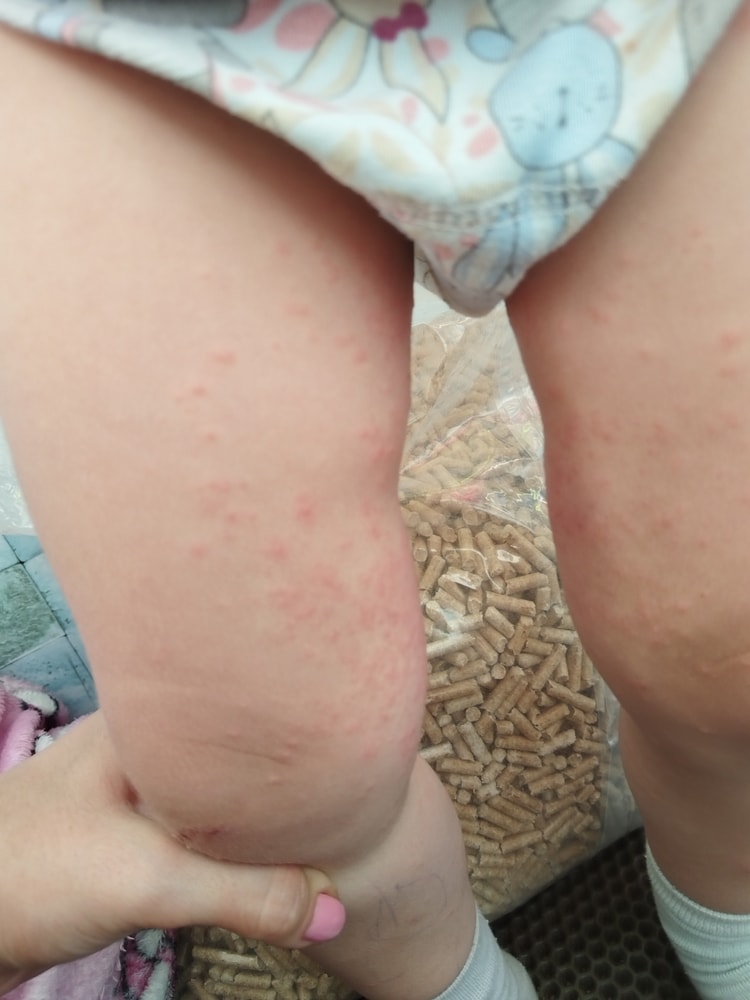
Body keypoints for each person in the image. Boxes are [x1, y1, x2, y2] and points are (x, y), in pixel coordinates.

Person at [0, 2, 748, 999]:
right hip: (135, 48)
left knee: (725, 644)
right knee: (263, 778)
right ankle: (454, 986)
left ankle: (732, 908)